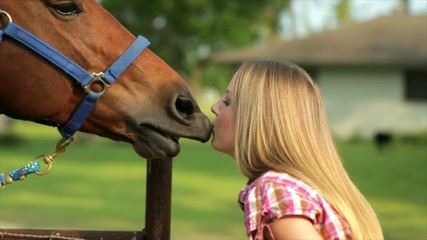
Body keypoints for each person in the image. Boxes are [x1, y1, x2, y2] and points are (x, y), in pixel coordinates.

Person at [211, 60, 383, 240]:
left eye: (228, 101)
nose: (215, 107)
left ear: (262, 120)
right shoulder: (306, 188)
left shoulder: (274, 189)